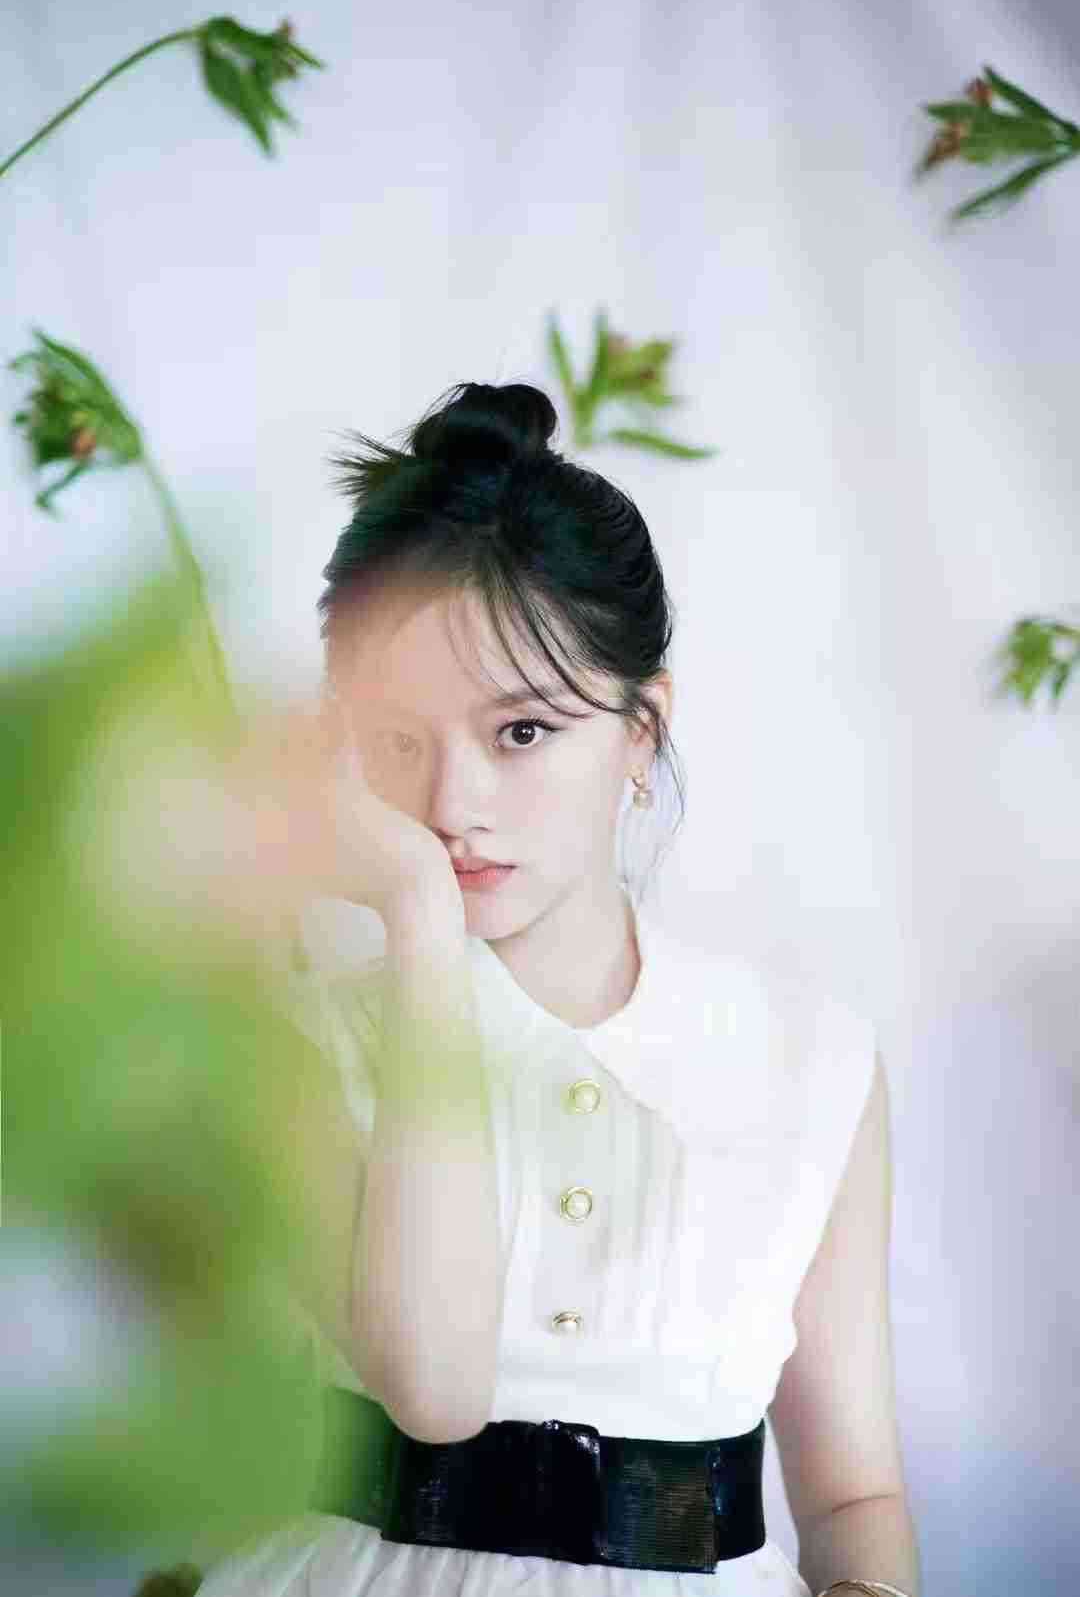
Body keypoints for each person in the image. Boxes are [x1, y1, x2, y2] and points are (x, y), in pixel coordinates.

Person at [190, 381, 921, 1597]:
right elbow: (434, 1388)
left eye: (521, 732)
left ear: (641, 728)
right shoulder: (293, 1043)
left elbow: (854, 1492)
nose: (453, 805)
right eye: (400, 742)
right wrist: (418, 918)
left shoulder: (813, 1059)